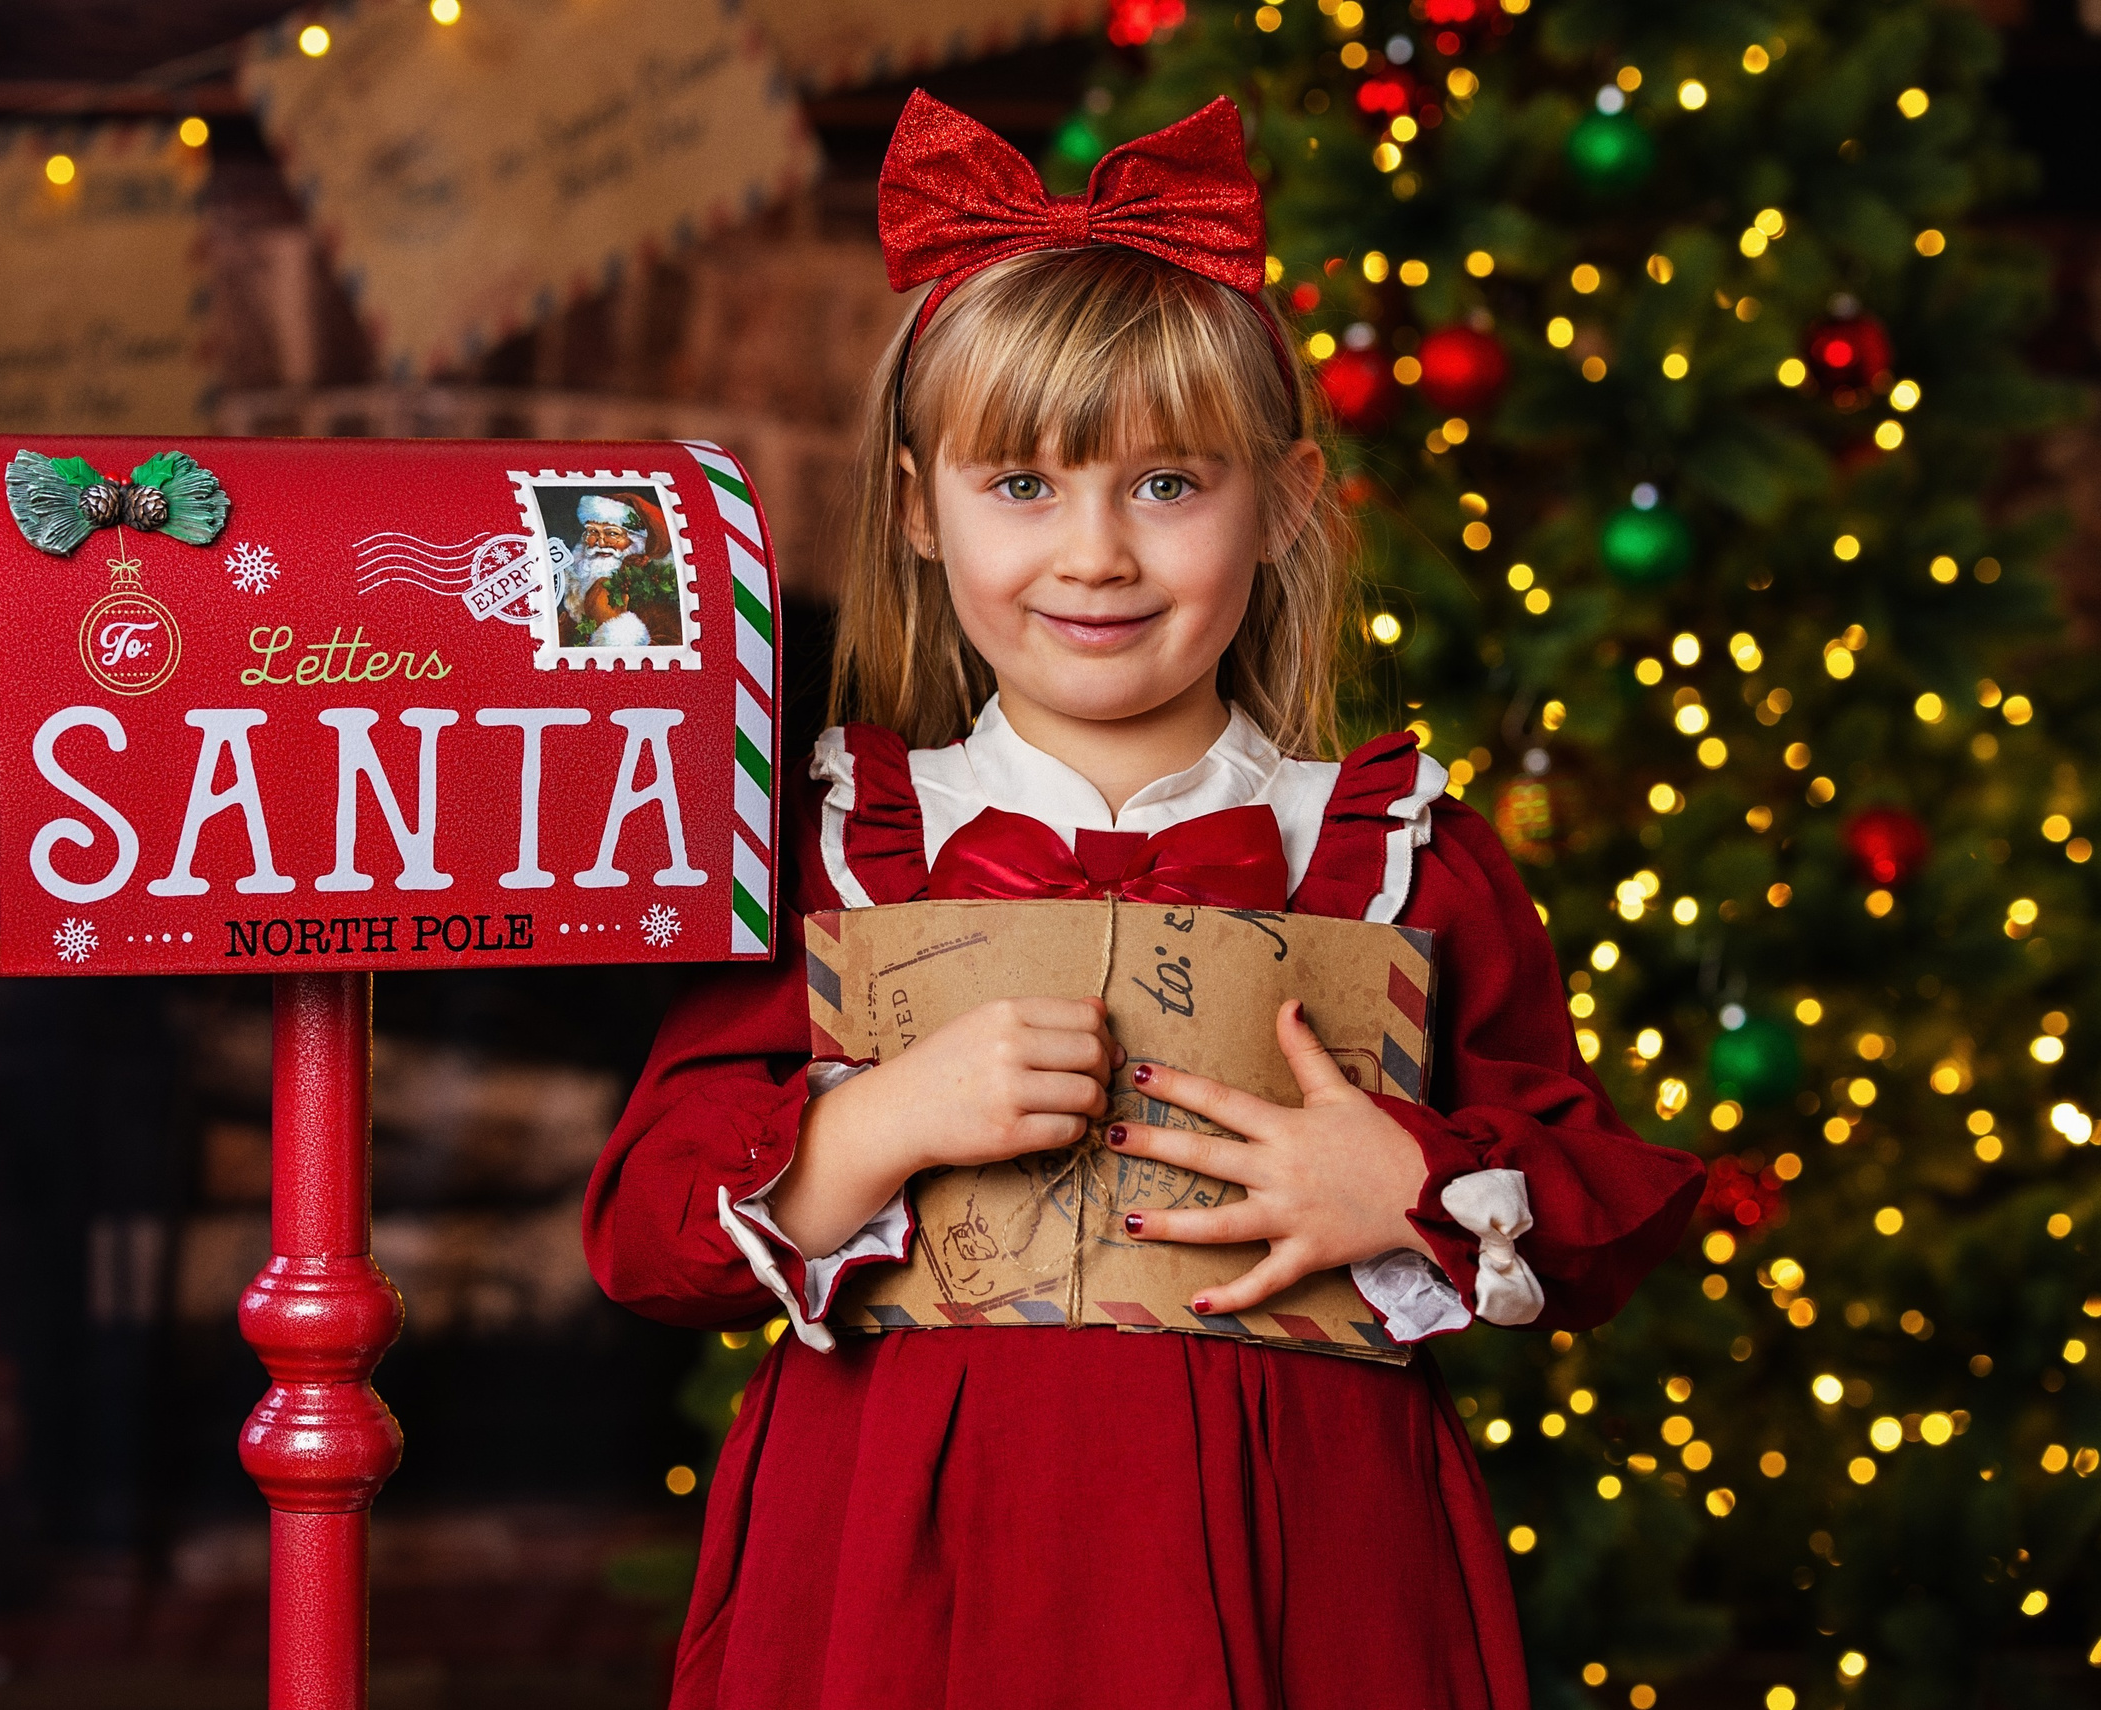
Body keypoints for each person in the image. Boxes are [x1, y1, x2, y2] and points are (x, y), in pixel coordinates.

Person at [583, 91, 1705, 1710]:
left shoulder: (1399, 856)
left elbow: (1597, 1208)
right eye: (1022, 484)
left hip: (1309, 1553)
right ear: (916, 506)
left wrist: (1404, 1181)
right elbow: (646, 1233)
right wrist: (881, 1119)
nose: (1096, 553)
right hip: (903, 1562)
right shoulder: (834, 849)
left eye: (1168, 484)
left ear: (1288, 499)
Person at [559, 490, 672, 647]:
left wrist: (616, 632)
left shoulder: (657, 594)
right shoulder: (577, 591)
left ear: (636, 540)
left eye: (612, 533)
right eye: (593, 531)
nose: (601, 543)